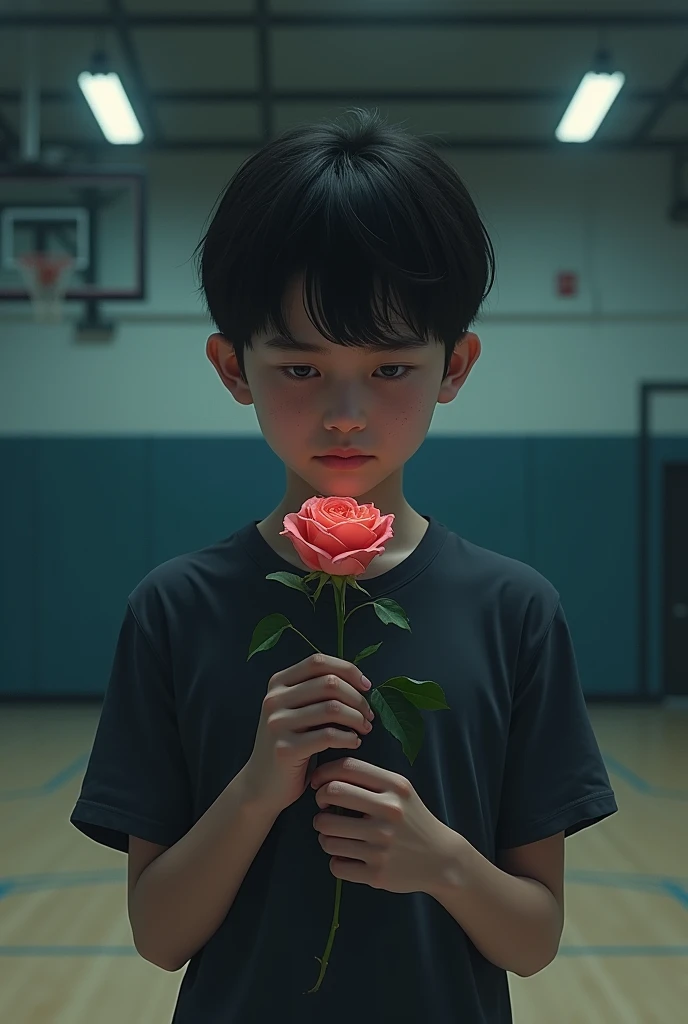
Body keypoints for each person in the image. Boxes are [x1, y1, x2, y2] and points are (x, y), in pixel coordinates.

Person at [70, 108, 617, 1023]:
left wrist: (438, 858)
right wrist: (255, 789)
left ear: (456, 365)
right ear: (232, 366)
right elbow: (159, 937)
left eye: (392, 369)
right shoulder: (173, 608)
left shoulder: (515, 610)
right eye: (300, 369)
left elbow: (534, 939)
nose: (346, 414)